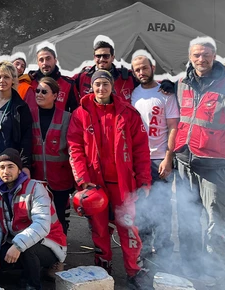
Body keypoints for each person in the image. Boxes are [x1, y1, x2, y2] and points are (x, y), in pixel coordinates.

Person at [67, 70, 150, 289]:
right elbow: (75, 148)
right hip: (95, 184)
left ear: (112, 86)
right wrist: (82, 179)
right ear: (91, 87)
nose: (101, 89)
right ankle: (102, 268)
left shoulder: (129, 113)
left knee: (128, 227)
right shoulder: (80, 114)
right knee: (100, 228)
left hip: (124, 184)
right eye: (97, 85)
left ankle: (134, 271)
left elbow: (142, 150)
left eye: (105, 84)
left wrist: (144, 181)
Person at [173, 37, 225, 278]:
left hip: (215, 165)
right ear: (190, 57)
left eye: (206, 54)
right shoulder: (181, 83)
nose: (202, 59)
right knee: (187, 219)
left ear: (214, 56)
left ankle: (215, 271)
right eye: (197, 55)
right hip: (185, 162)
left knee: (216, 221)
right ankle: (190, 269)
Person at [0, 148, 67, 290]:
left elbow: (42, 225)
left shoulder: (36, 188)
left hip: (49, 243)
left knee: (28, 250)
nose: (5, 171)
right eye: (2, 167)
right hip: (18, 240)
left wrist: (17, 246)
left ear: (19, 170)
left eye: (10, 167)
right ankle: (21, 275)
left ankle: (33, 285)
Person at [130, 50, 179, 268]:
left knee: (163, 208)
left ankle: (165, 252)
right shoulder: (133, 94)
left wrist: (168, 157)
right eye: (137, 69)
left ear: (153, 68)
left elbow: (173, 127)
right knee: (142, 208)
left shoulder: (165, 93)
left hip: (160, 160)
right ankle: (145, 251)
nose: (141, 72)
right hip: (139, 161)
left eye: (144, 67)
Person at [28, 74, 75, 233]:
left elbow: (72, 149)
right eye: (38, 91)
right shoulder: (30, 115)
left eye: (44, 92)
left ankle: (60, 251)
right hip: (37, 178)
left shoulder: (67, 117)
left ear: (55, 96)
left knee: (59, 218)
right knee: (37, 217)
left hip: (60, 180)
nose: (39, 95)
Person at [70, 36, 136, 103]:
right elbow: (64, 85)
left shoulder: (127, 76)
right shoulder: (83, 77)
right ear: (94, 58)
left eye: (106, 56)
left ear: (113, 58)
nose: (101, 59)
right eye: (98, 56)